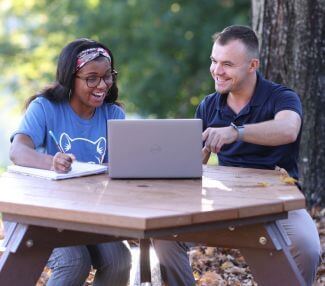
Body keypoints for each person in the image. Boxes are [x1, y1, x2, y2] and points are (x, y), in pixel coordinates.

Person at [153, 25, 321, 286]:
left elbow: (288, 129)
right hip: (224, 203)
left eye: (227, 64)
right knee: (163, 235)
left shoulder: (281, 97)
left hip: (276, 205)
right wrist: (201, 150)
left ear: (252, 65)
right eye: (214, 61)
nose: (217, 71)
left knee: (308, 247)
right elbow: (192, 165)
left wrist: (236, 132)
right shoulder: (209, 105)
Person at [9, 38, 131, 286]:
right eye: (91, 78)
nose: (102, 85)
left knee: (120, 260)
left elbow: (121, 166)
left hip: (90, 214)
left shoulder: (113, 114)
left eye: (108, 76)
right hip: (43, 213)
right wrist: (50, 162)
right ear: (70, 78)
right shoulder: (45, 107)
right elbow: (18, 151)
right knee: (74, 260)